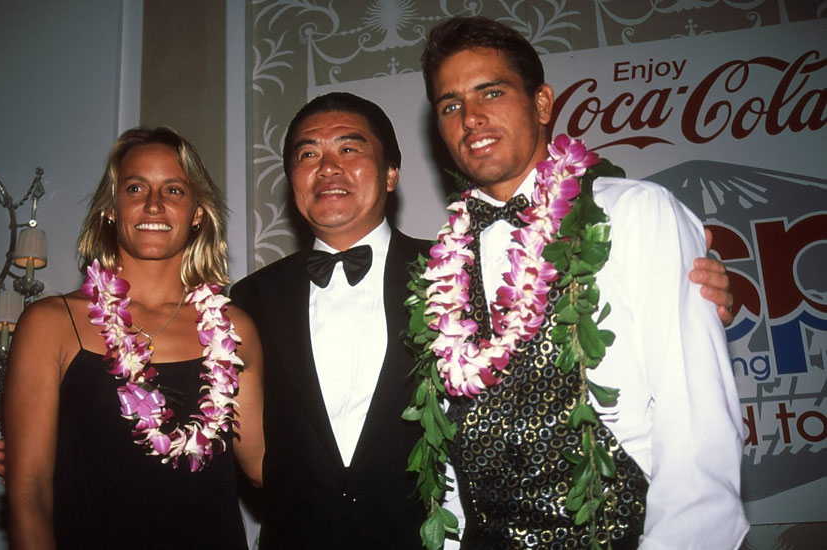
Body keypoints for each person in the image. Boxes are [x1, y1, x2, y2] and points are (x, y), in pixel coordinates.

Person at [228, 92, 735, 549]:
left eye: (350, 148)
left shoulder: (458, 272)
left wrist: (690, 289)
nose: (328, 168)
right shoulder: (249, 298)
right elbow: (252, 454)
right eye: (308, 154)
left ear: (390, 173)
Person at [414, 16, 748, 549]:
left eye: (491, 92)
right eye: (450, 105)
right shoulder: (443, 266)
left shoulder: (634, 214)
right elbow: (453, 447)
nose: (470, 118)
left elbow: (697, 422)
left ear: (542, 103)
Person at [2, 127, 263, 549]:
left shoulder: (236, 327)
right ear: (111, 207)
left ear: (197, 212)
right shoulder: (50, 324)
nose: (154, 204)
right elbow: (29, 491)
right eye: (136, 187)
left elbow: (264, 464)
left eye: (174, 190)